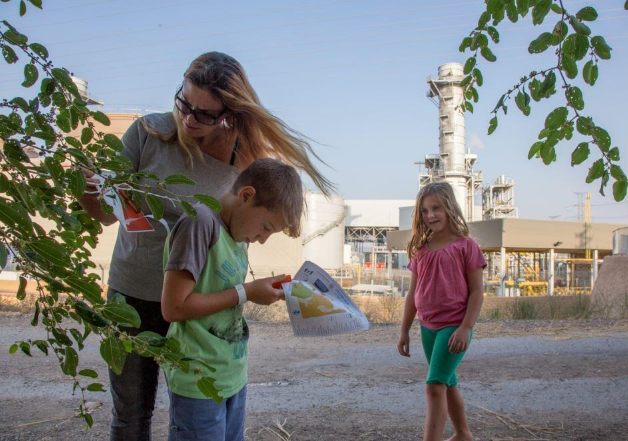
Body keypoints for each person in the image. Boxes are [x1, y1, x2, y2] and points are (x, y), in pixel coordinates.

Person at [77, 51, 333, 441]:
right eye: (183, 102)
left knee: (198, 415)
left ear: (229, 113)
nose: (188, 118)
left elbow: (241, 230)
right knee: (131, 417)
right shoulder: (147, 132)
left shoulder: (243, 159)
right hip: (133, 297)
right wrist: (87, 189)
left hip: (199, 306)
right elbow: (107, 215)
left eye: (204, 113)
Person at [161, 158, 301, 440]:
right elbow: (173, 307)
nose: (261, 239)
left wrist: (267, 290)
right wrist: (247, 292)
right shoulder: (200, 223)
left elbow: (221, 291)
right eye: (265, 227)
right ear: (246, 196)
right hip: (197, 377)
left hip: (231, 373)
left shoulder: (237, 234)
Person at [397, 182, 486, 441]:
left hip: (454, 327)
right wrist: (404, 331)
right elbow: (413, 294)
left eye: (436, 208)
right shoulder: (422, 250)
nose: (430, 215)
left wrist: (466, 327)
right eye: (425, 211)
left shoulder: (466, 246)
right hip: (427, 327)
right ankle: (463, 435)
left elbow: (477, 292)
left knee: (434, 386)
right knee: (447, 384)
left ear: (449, 207)